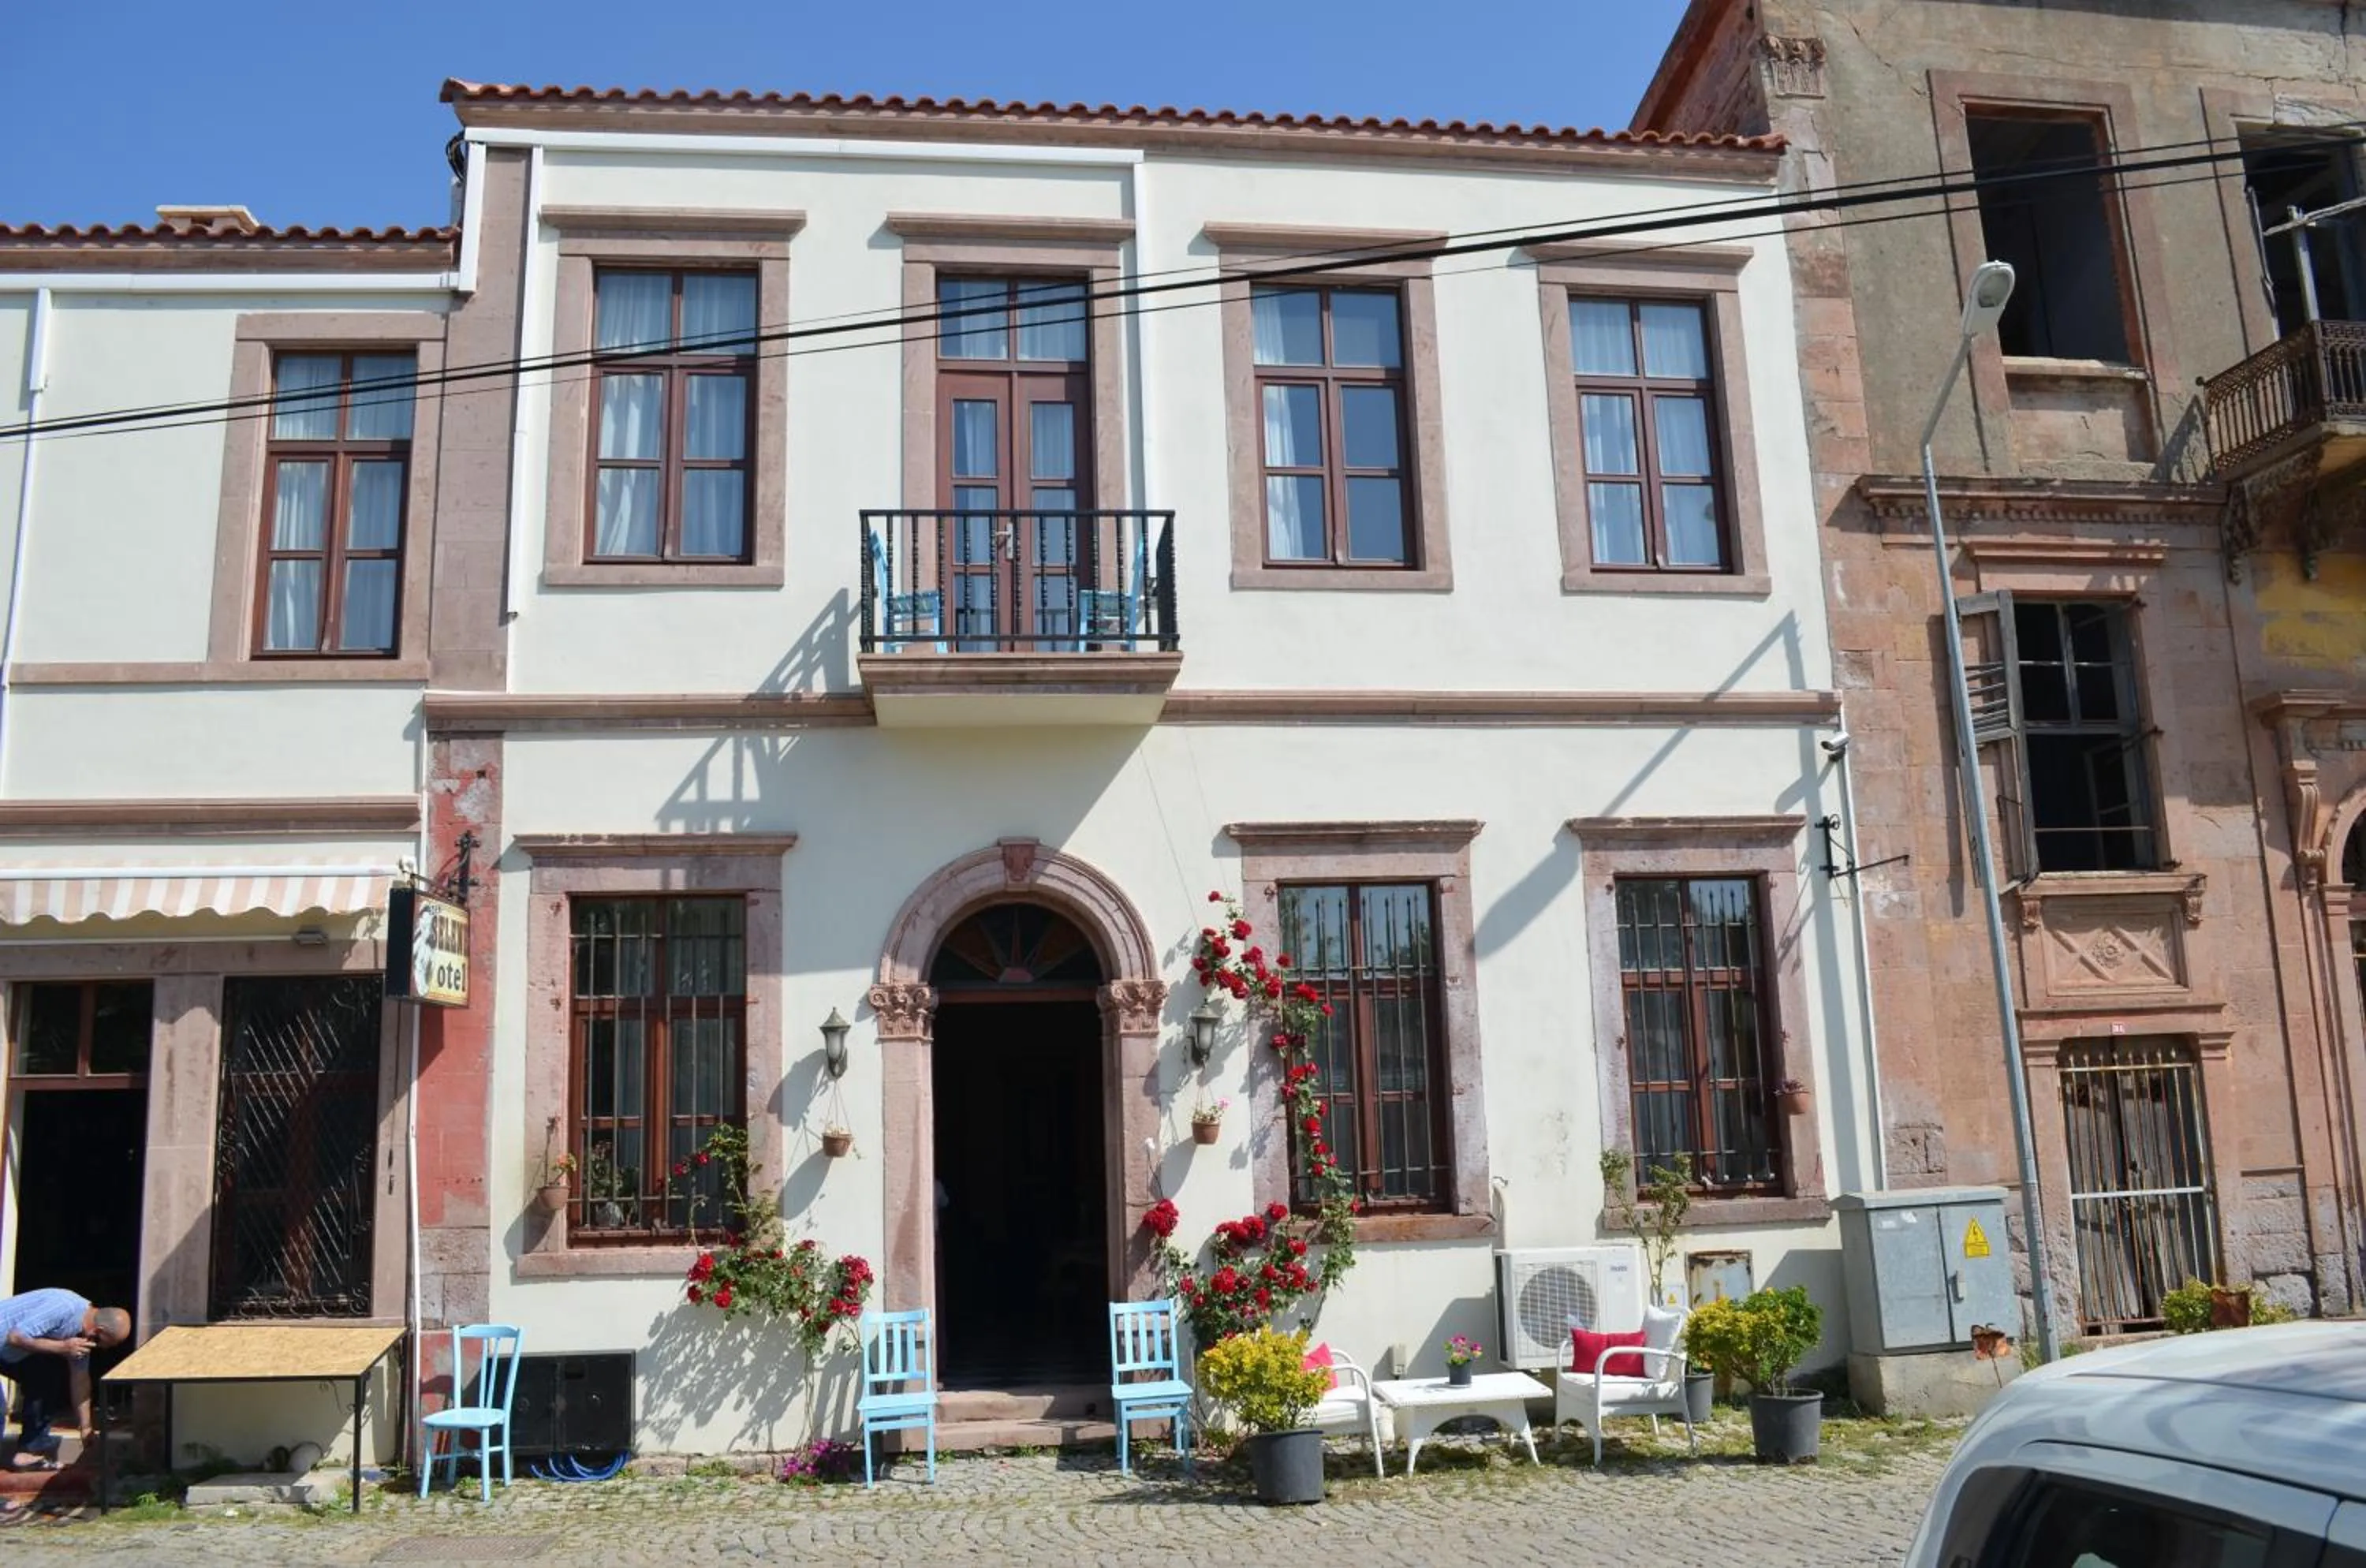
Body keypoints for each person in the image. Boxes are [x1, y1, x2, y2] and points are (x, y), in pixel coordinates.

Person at [0, 1290, 129, 1473]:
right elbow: (15, 1337)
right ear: (98, 1331)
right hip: (8, 1340)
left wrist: (85, 1427)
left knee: (46, 1378)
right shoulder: (63, 1307)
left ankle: (30, 1451)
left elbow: (80, 1379)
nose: (100, 1349)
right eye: (102, 1343)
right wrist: (62, 1346)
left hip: (6, 1351)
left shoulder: (83, 1336)